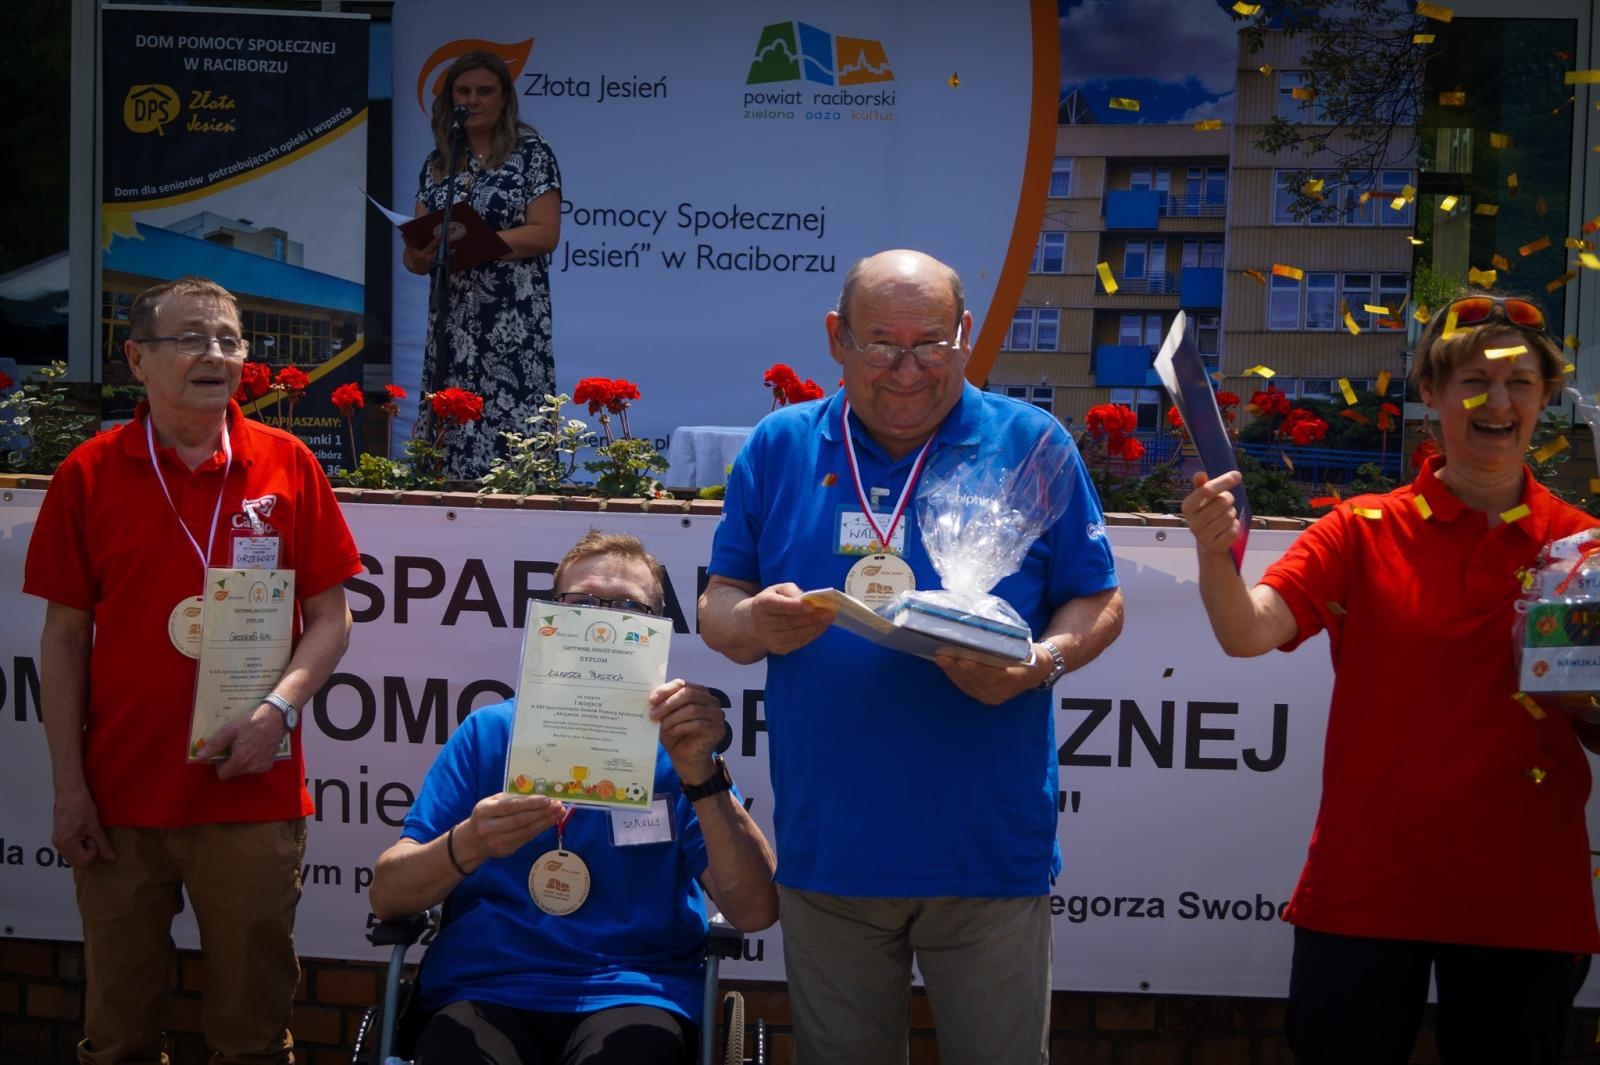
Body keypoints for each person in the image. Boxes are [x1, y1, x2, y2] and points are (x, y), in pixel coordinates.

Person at [698, 249, 1124, 1064]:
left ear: (966, 336)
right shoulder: (781, 445)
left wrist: (1045, 661)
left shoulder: (1031, 442)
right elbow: (719, 604)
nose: (906, 370)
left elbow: (1100, 598)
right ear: (836, 337)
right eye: (881, 345)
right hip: (833, 854)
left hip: (988, 854)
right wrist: (751, 620)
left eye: (930, 344)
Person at [1179, 293, 1600, 1064]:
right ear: (1431, 393)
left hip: (1526, 894)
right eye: (1473, 380)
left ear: (1547, 398)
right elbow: (1247, 631)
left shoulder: (1584, 549)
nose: (1496, 402)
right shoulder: (1360, 528)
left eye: (1519, 384)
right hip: (1366, 887)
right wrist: (1215, 552)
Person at [24, 276, 361, 1064]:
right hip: (118, 802)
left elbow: (331, 619)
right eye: (191, 338)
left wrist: (276, 710)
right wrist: (70, 787)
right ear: (137, 359)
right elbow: (65, 640)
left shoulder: (288, 463)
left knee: (250, 1039)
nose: (215, 355)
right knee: (118, 1038)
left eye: (229, 340)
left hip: (251, 791)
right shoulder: (88, 472)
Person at [369, 530, 778, 1065]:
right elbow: (388, 897)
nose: (602, 620)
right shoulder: (488, 734)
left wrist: (703, 775)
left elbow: (754, 910)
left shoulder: (679, 751)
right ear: (549, 617)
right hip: (485, 988)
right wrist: (468, 843)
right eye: (583, 602)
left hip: (635, 990)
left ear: (653, 630)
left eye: (628, 608)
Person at [402, 50, 562, 479]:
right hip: (452, 323)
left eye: (484, 91)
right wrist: (420, 252)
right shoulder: (436, 163)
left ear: (504, 99)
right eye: (463, 91)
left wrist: (478, 244)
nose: (472, 100)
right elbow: (415, 254)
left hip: (511, 319)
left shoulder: (532, 153)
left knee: (512, 432)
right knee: (449, 426)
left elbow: (544, 233)